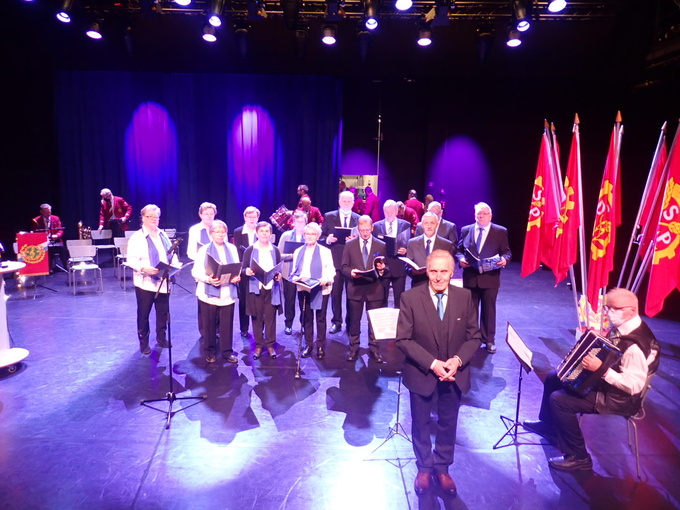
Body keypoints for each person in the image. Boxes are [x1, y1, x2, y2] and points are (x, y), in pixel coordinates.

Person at [522, 288, 660, 472]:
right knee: (554, 377)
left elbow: (634, 385)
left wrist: (601, 369)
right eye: (607, 308)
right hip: (609, 384)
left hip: (620, 398)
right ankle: (549, 426)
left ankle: (579, 457)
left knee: (560, 400)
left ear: (631, 310)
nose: (609, 313)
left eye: (614, 309)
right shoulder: (626, 327)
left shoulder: (635, 346)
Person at [396, 249, 481, 496]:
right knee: (421, 423)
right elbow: (403, 339)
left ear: (452, 272)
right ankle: (424, 467)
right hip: (421, 373)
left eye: (444, 271)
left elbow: (474, 337)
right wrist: (433, 364)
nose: (439, 276)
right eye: (434, 271)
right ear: (427, 272)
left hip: (455, 374)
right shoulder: (410, 298)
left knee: (448, 422)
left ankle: (442, 467)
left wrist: (457, 360)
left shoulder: (465, 296)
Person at [454, 202, 510, 354]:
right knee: (470, 311)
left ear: (490, 216)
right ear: (475, 215)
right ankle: (471, 338)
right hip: (471, 277)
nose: (481, 216)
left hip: (490, 278)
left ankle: (489, 340)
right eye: (478, 214)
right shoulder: (466, 230)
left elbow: (506, 252)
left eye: (484, 214)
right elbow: (458, 250)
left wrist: (504, 260)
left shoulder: (500, 231)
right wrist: (460, 259)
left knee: (489, 310)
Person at [126, 204, 181, 355]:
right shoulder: (137, 237)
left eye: (156, 217)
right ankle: (144, 342)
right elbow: (131, 260)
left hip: (163, 281)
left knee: (163, 312)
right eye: (150, 217)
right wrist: (144, 268)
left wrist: (176, 266)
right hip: (146, 283)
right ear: (143, 218)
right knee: (144, 314)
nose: (154, 219)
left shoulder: (162, 235)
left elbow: (171, 254)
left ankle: (161, 338)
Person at [191, 220, 241, 363]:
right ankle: (210, 351)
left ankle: (227, 351)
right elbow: (195, 271)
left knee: (226, 325)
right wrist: (208, 279)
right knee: (209, 324)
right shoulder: (204, 250)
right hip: (208, 293)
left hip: (227, 293)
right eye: (217, 232)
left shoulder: (232, 248)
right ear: (211, 234)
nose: (220, 234)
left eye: (223, 232)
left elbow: (236, 267)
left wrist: (237, 277)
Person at [341, 215, 388, 363]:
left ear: (372, 228)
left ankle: (374, 349)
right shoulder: (350, 245)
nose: (365, 233)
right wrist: (351, 273)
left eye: (367, 230)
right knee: (354, 321)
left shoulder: (381, 245)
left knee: (373, 321)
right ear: (358, 229)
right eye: (362, 230)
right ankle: (354, 348)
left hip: (374, 289)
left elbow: (386, 267)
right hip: (355, 288)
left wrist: (382, 269)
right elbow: (344, 267)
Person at [290, 222, 335, 359]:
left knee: (321, 318)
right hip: (304, 288)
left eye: (313, 234)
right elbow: (294, 271)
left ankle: (320, 345)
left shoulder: (325, 251)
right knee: (307, 318)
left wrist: (326, 278)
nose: (309, 236)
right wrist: (296, 278)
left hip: (321, 288)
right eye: (307, 234)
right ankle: (309, 344)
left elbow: (331, 271)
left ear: (318, 236)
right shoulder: (298, 251)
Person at [241, 221, 283, 360]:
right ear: (257, 233)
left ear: (270, 234)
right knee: (257, 317)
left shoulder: (275, 250)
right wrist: (246, 271)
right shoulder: (250, 250)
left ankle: (270, 344)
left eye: (267, 231)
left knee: (270, 318)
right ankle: (259, 345)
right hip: (255, 289)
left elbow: (278, 268)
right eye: (262, 231)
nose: (264, 234)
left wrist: (278, 275)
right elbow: (243, 268)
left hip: (271, 289)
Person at [321, 190, 360, 335]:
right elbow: (321, 236)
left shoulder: (358, 218)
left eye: (349, 201)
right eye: (344, 201)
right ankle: (336, 322)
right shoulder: (329, 216)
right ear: (339, 202)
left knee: (351, 295)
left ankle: (350, 323)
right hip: (335, 261)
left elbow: (364, 239)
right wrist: (328, 239)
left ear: (353, 203)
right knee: (336, 295)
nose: (346, 204)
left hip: (352, 263)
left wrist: (355, 239)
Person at [373, 199, 411, 308]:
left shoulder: (405, 225)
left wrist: (406, 250)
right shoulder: (376, 226)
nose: (389, 214)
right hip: (383, 267)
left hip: (399, 266)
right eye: (386, 212)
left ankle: (399, 319)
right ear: (383, 211)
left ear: (396, 211)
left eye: (391, 212)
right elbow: (374, 247)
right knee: (381, 299)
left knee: (399, 300)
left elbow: (410, 244)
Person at [232, 206, 260, 339]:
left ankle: (259, 327)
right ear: (245, 218)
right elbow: (237, 252)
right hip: (244, 270)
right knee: (243, 300)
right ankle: (244, 328)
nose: (252, 219)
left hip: (259, 270)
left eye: (254, 217)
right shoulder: (238, 232)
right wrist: (243, 269)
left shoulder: (261, 230)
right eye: (249, 217)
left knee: (258, 300)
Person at [278, 211, 307, 335]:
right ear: (293, 222)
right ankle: (288, 324)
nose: (300, 224)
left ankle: (304, 324)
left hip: (304, 274)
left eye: (302, 222)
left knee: (303, 301)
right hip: (288, 273)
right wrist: (291, 256)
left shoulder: (309, 236)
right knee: (289, 300)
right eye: (298, 221)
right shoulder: (286, 236)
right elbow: (278, 254)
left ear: (305, 223)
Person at [406, 212, 454, 288]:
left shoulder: (446, 245)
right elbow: (407, 267)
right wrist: (413, 271)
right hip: (418, 284)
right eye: (426, 223)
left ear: (437, 225)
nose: (429, 226)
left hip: (439, 285)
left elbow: (449, 268)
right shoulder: (412, 243)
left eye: (432, 223)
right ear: (422, 225)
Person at [32, 203, 69, 272]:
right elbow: (35, 232)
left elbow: (60, 230)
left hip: (55, 240)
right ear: (41, 212)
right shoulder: (36, 220)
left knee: (63, 248)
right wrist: (43, 237)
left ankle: (66, 266)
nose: (48, 214)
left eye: (49, 212)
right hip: (43, 242)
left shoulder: (56, 218)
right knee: (48, 250)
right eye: (46, 212)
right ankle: (48, 268)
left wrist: (57, 235)